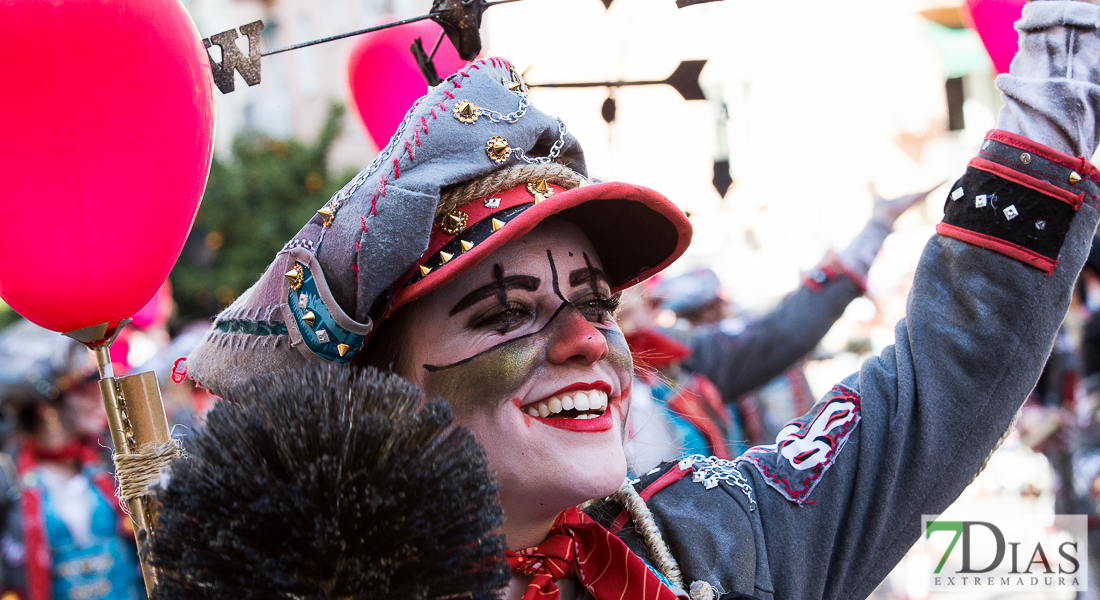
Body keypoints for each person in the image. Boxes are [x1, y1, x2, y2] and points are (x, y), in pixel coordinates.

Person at [184, 4, 1100, 597]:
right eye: (505, 313)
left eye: (596, 299)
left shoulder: (714, 538)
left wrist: (1057, 77)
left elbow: (937, 384)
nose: (590, 339)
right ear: (380, 393)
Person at [0, 321, 145, 600]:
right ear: (46, 407)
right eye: (84, 390)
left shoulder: (111, 458)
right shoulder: (8, 475)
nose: (100, 399)